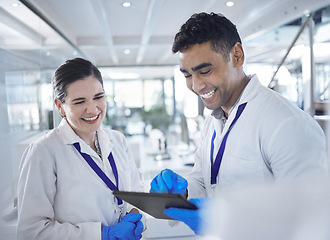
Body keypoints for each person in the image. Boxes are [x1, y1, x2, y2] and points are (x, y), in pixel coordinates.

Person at [150, 12, 329, 234]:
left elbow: (311, 218)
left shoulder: (286, 123)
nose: (196, 86)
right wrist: (183, 193)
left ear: (237, 55)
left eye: (205, 71)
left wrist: (225, 217)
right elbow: (206, 181)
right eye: (187, 75)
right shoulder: (214, 120)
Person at [17, 58, 145, 240]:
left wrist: (136, 217)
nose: (92, 109)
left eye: (98, 97)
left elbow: (135, 194)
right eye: (79, 102)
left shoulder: (118, 140)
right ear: (60, 107)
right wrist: (102, 234)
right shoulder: (43, 152)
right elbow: (31, 231)